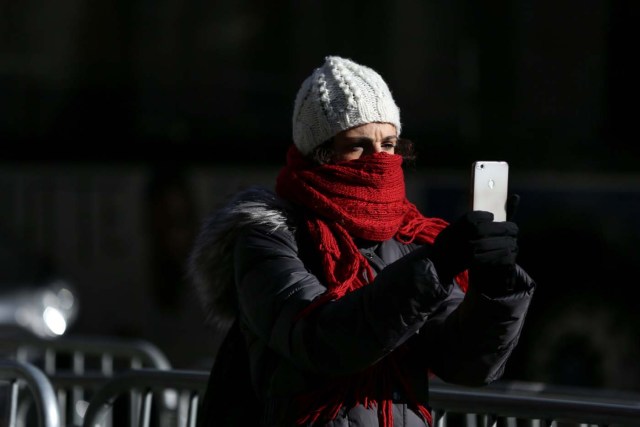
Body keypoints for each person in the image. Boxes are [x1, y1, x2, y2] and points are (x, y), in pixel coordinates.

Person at [188, 55, 536, 427]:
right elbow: (322, 339)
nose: (379, 161)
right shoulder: (269, 234)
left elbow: (463, 362)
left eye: (388, 144)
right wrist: (437, 266)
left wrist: (494, 289)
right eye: (358, 146)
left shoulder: (409, 236)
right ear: (320, 153)